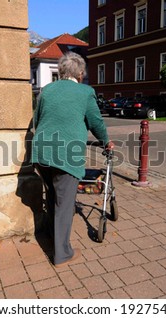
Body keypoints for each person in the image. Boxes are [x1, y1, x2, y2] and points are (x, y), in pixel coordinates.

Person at [31, 51, 114, 268]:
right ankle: (62, 254)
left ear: (61, 71)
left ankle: (52, 236)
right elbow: (96, 122)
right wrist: (106, 141)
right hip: (65, 153)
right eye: (83, 73)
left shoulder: (47, 90)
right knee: (64, 204)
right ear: (79, 73)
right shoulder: (85, 92)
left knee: (51, 197)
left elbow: (37, 120)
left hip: (42, 152)